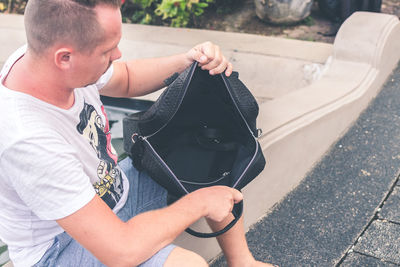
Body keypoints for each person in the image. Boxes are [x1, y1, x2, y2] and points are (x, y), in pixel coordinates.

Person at [0, 0, 275, 266]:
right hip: (61, 248)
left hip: (114, 192)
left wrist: (188, 60)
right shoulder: (27, 139)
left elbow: (127, 77)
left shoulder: (45, 58)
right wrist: (200, 202)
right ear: (64, 58)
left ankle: (243, 262)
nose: (117, 55)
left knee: (208, 154)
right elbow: (121, 251)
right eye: (108, 50)